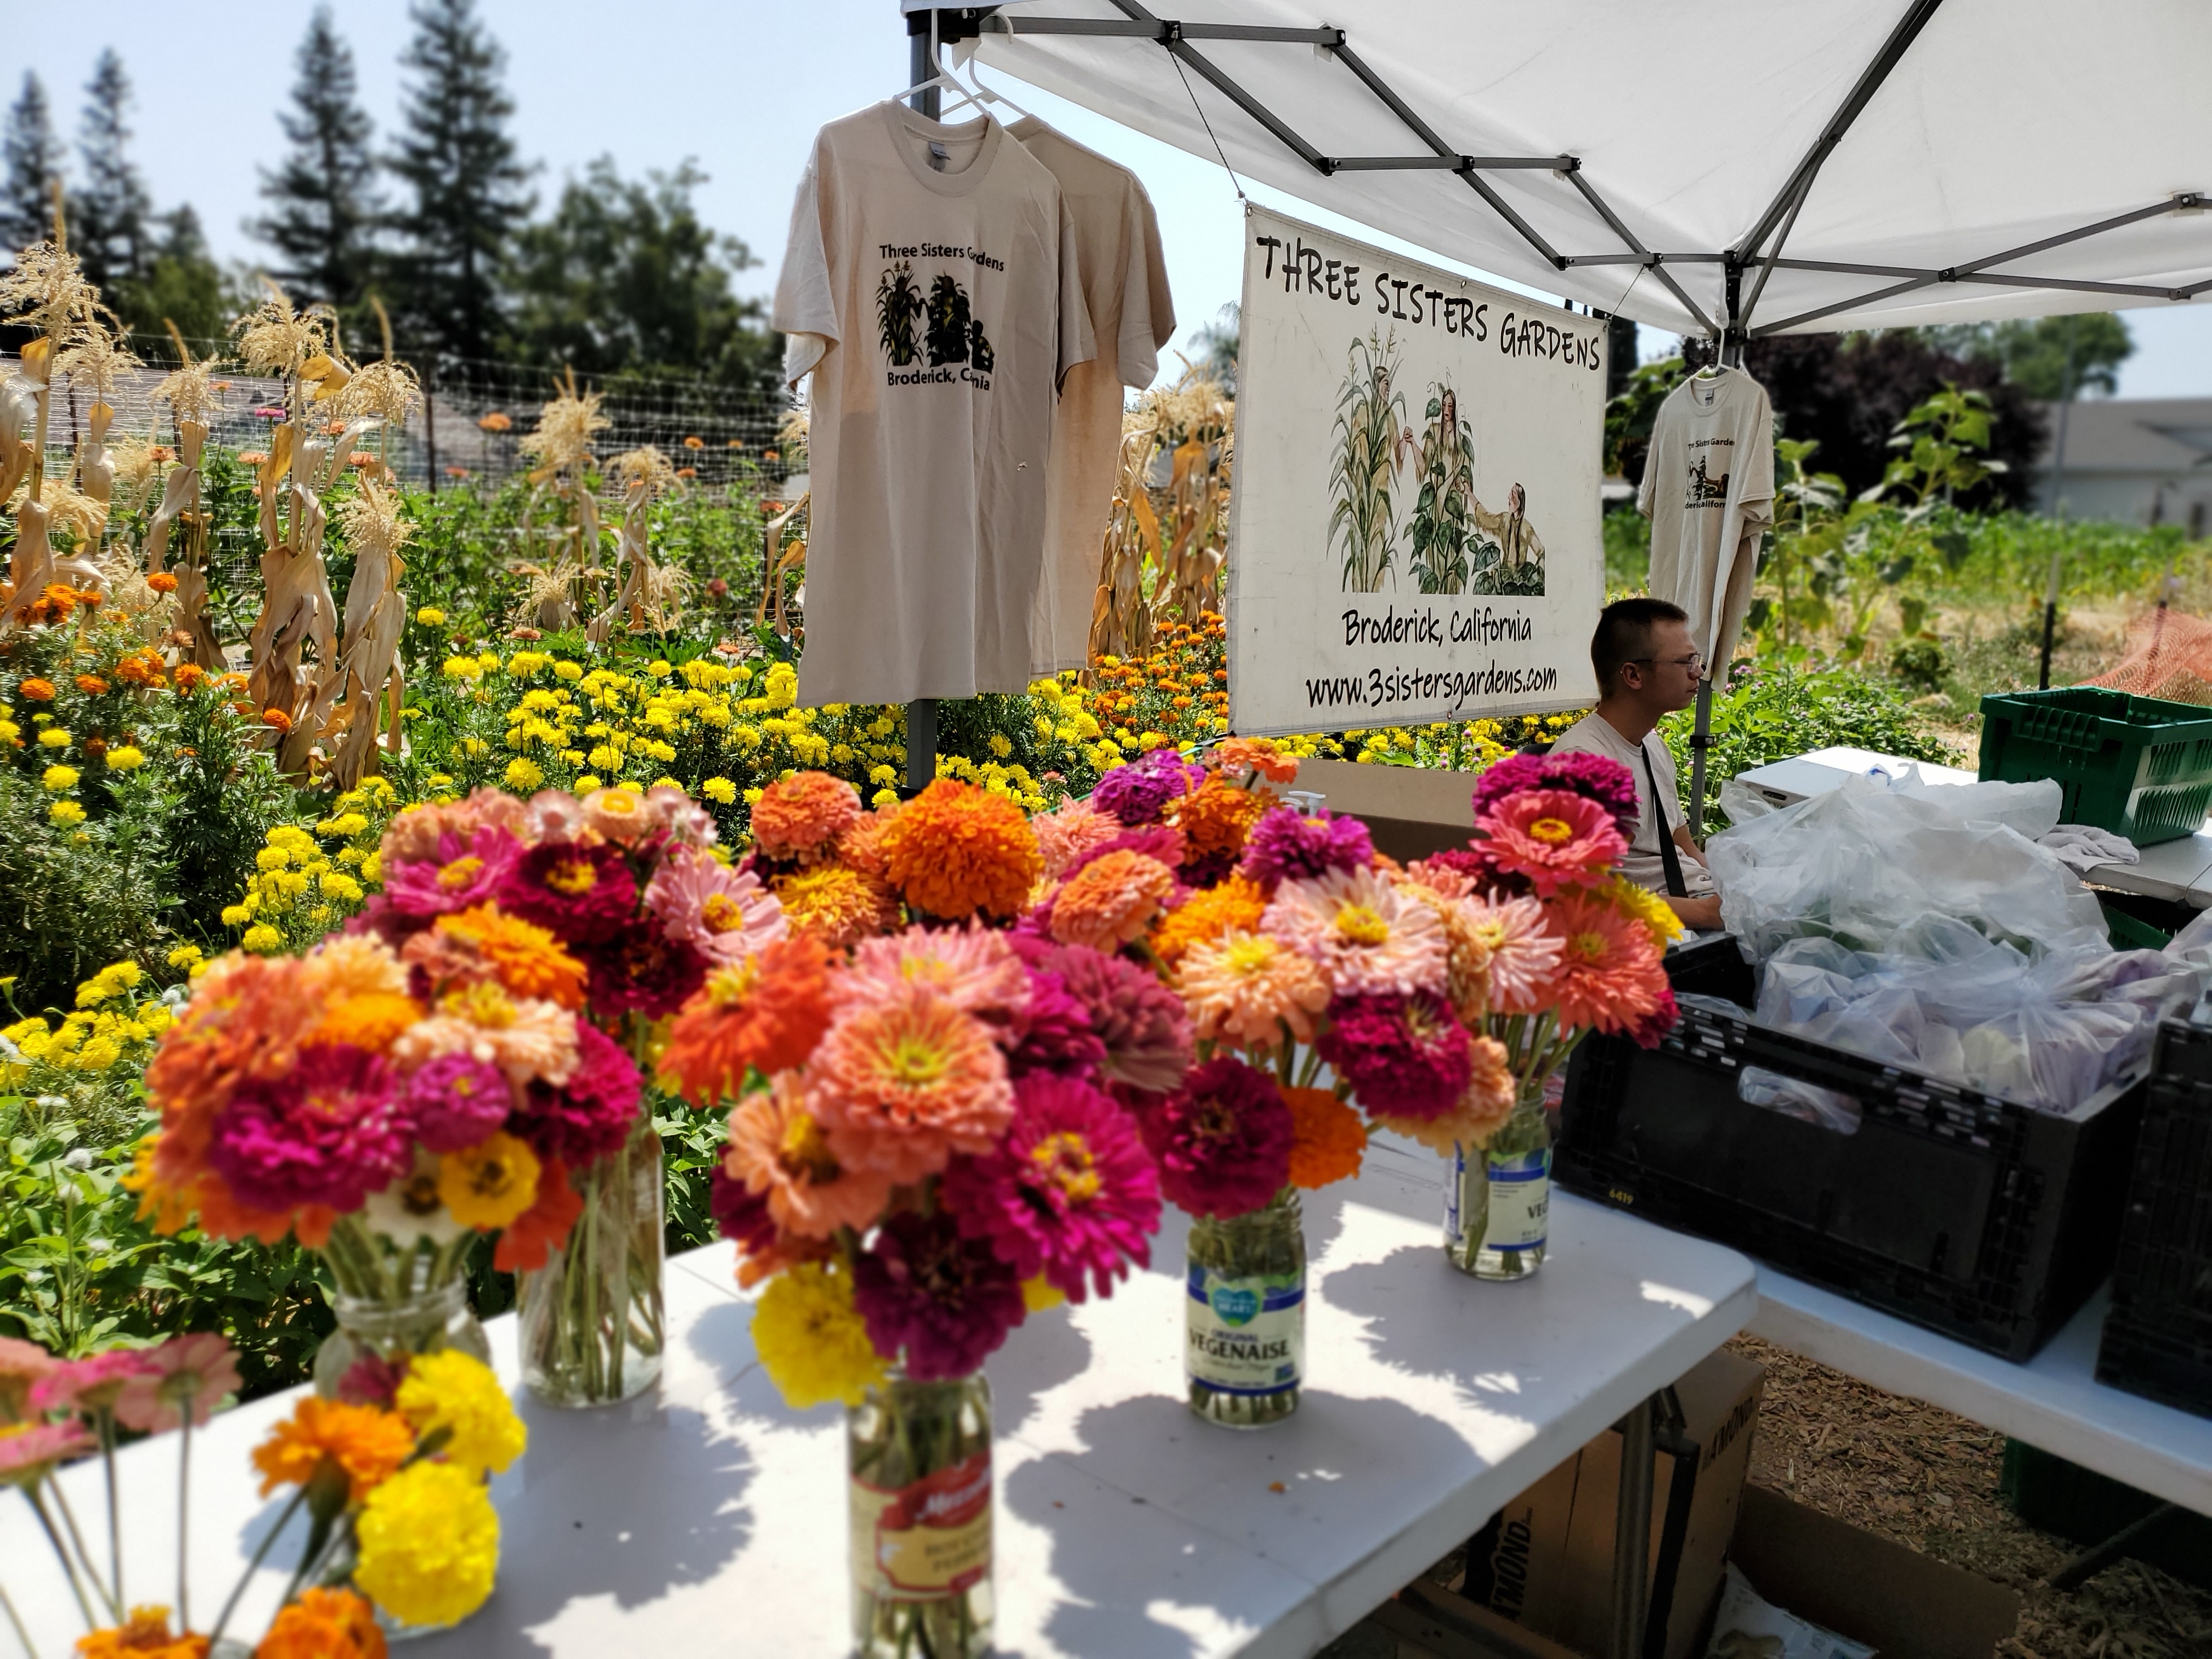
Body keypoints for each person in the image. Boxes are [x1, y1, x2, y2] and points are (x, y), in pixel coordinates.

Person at [1549, 597, 1723, 930]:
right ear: (1633, 675)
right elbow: (1579, 895)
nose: (1698, 672)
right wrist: (1706, 914)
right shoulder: (1579, 764)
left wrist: (1733, 885)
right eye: (1685, 662)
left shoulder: (1652, 744)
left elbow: (1683, 846)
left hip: (1699, 904)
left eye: (1696, 660)